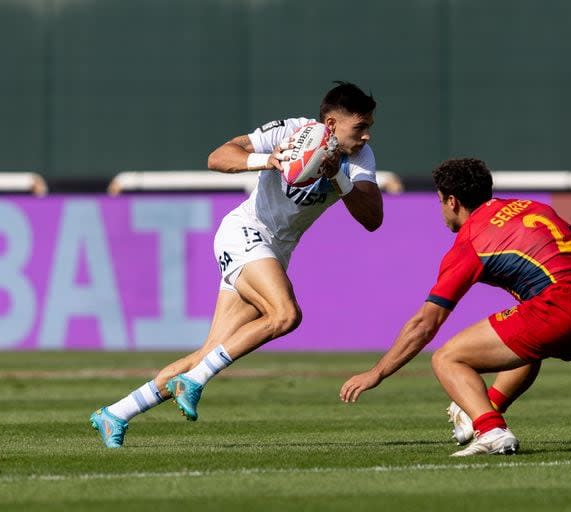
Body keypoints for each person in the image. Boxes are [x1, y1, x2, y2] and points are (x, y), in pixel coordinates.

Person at [90, 81, 383, 448]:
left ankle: (116, 413)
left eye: (370, 125)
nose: (367, 136)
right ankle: (194, 382)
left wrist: (337, 176)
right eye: (360, 127)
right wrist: (269, 159)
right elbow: (218, 157)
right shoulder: (291, 131)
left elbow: (373, 218)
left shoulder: (358, 161)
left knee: (207, 353)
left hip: (274, 252)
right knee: (286, 315)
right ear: (330, 123)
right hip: (244, 233)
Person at [340, 157, 571, 456]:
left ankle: (491, 431)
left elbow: (425, 324)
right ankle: (482, 408)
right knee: (526, 343)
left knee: (447, 358)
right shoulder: (536, 208)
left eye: (440, 201)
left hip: (557, 310)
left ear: (452, 201)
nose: (441, 210)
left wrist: (377, 373)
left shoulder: (470, 243)